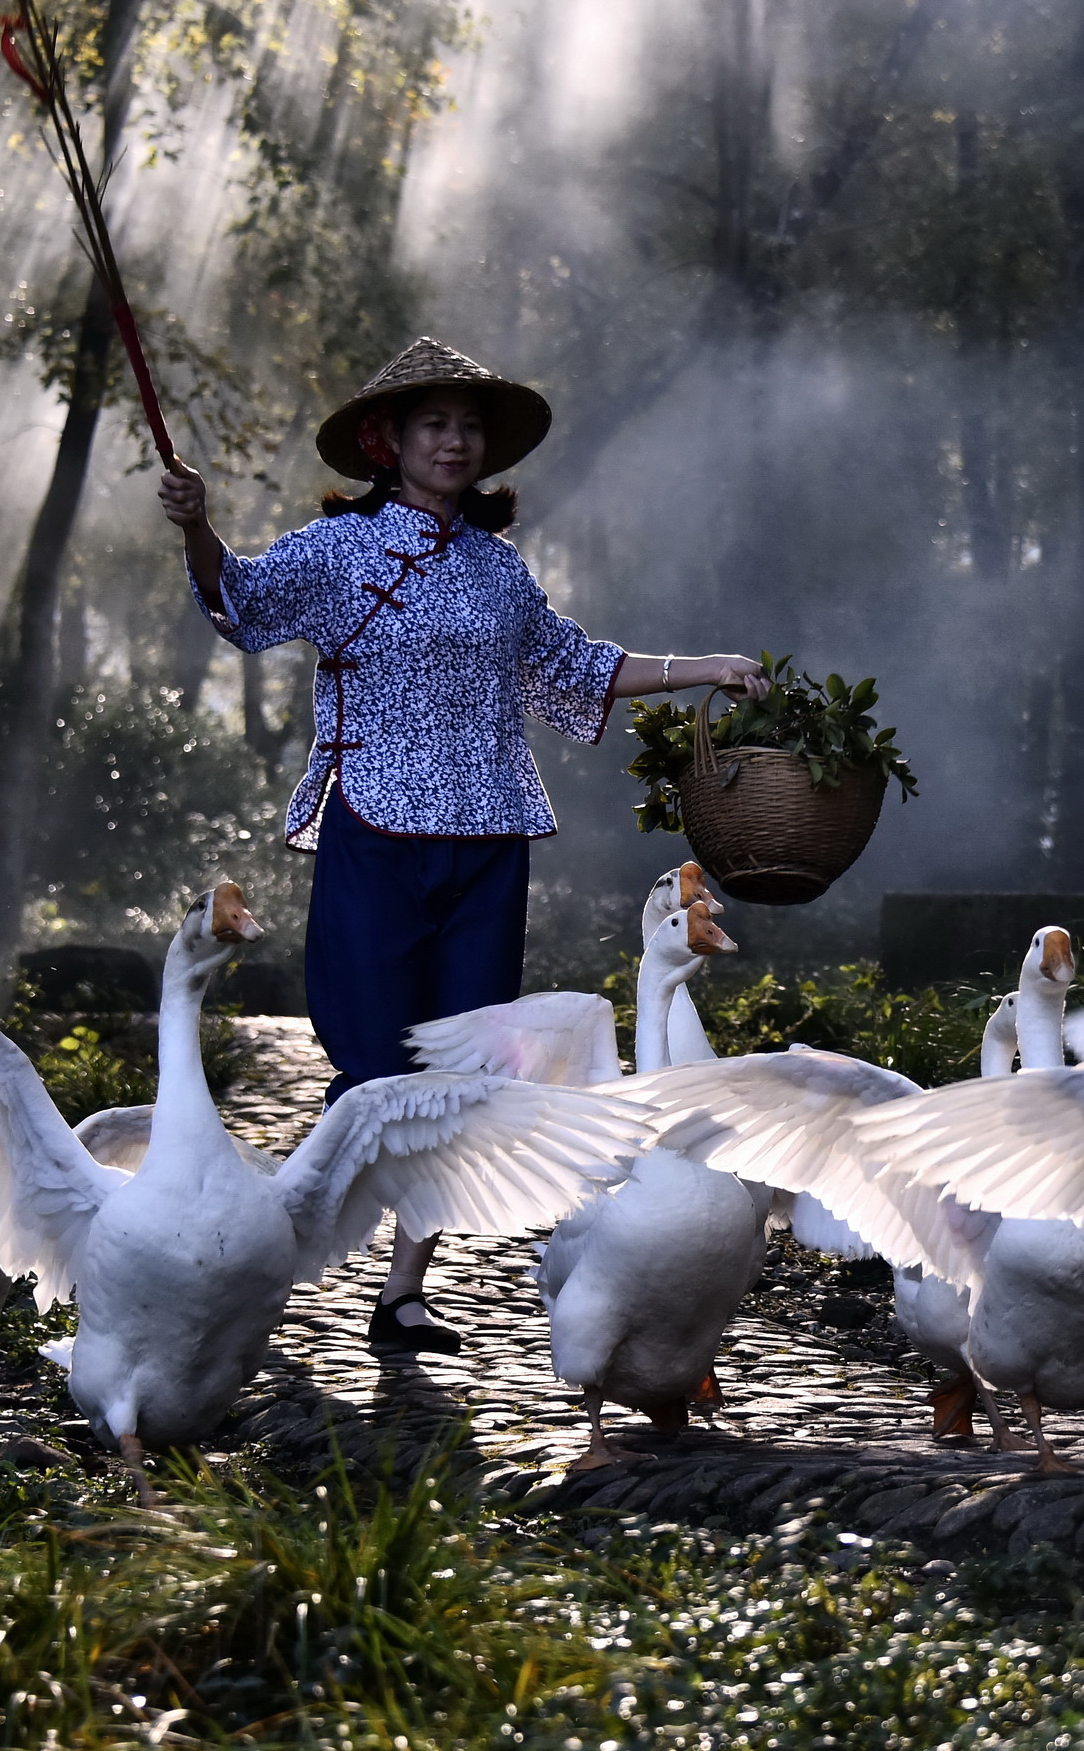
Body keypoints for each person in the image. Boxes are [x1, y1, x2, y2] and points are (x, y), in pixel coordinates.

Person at [159, 337, 765, 1353]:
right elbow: (245, 605)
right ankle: (271, 1259)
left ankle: (404, 1291)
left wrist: (709, 664)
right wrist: (199, 527)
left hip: (489, 836)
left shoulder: (500, 571)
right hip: (379, 828)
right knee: (368, 1065)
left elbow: (577, 662)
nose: (453, 440)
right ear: (385, 440)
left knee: (465, 1074)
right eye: (432, 423)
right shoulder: (335, 551)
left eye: (467, 425)